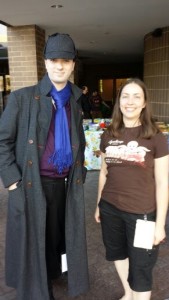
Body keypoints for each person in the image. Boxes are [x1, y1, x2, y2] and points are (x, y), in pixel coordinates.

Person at [0, 33, 89, 300]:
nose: (59, 65)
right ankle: (39, 292)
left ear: (73, 64)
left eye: (65, 60)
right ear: (45, 62)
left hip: (65, 184)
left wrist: (80, 172)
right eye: (53, 59)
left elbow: (79, 141)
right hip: (32, 184)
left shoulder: (75, 100)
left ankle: (52, 275)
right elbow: (2, 141)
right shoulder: (22, 98)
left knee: (58, 238)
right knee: (34, 241)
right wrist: (13, 181)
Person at [95, 78, 169, 300]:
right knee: (117, 253)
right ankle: (128, 293)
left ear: (144, 103)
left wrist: (160, 224)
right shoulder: (108, 134)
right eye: (125, 96)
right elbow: (103, 172)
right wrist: (99, 204)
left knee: (141, 267)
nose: (130, 101)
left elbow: (164, 182)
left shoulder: (155, 137)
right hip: (110, 209)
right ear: (119, 101)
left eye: (137, 96)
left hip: (143, 216)